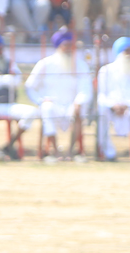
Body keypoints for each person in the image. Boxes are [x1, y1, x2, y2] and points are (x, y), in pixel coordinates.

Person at [26, 28, 93, 158]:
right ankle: (55, 151)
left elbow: (86, 88)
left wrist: (79, 101)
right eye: (65, 45)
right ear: (58, 46)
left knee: (79, 110)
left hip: (71, 105)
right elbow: (30, 86)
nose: (68, 49)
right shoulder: (45, 63)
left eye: (70, 45)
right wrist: (40, 100)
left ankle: (70, 152)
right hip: (53, 104)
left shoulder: (80, 65)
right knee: (46, 108)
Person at [97, 36, 130, 160]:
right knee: (101, 112)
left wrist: (127, 104)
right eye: (126, 51)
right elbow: (101, 97)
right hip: (111, 108)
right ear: (119, 52)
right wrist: (113, 105)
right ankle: (108, 152)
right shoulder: (106, 71)